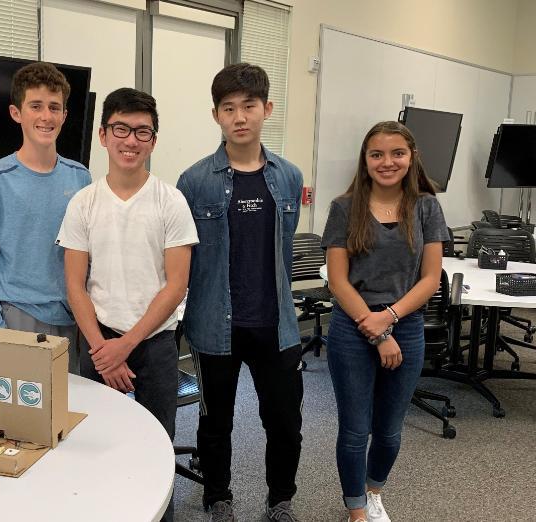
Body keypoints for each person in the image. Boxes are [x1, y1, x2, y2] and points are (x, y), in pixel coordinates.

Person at [56, 87, 198, 522]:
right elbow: (74, 286)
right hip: (97, 341)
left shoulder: (170, 200)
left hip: (154, 344)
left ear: (153, 140)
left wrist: (126, 345)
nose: (130, 140)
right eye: (121, 129)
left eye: (142, 132)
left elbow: (176, 286)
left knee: (158, 442)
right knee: (97, 441)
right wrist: (104, 348)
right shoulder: (84, 203)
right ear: (103, 135)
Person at [176, 63, 305, 522]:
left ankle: (280, 500)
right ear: (216, 115)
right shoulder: (194, 182)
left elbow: (283, 250)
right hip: (214, 325)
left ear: (266, 108)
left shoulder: (288, 177)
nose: (240, 116)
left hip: (277, 325)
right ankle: (218, 497)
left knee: (285, 423)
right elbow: (184, 259)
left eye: (249, 105)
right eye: (228, 108)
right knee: (215, 424)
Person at [321, 121, 449, 522]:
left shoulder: (427, 206)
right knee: (356, 429)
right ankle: (356, 509)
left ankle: (374, 492)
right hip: (352, 326)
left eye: (397, 153)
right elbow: (338, 280)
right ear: (365, 159)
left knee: (390, 428)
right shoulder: (344, 207)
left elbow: (430, 278)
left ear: (412, 158)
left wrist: (390, 319)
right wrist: (375, 330)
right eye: (376, 154)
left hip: (406, 323)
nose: (387, 162)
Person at [0, 62, 91, 373]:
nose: (46, 116)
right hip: (17, 319)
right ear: (16, 113)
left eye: (54, 107)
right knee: (23, 418)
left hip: (74, 321)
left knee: (72, 412)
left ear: (64, 114)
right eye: (35, 106)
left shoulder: (81, 178)